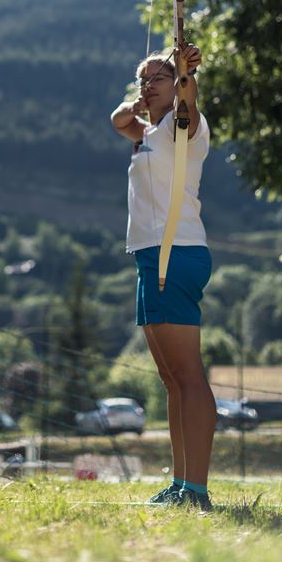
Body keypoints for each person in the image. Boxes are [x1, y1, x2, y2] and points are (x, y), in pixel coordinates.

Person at [110, 44, 215, 511]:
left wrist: (186, 77)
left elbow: (188, 103)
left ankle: (196, 489)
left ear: (175, 86)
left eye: (158, 78)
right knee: (172, 379)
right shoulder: (149, 132)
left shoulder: (182, 126)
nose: (147, 85)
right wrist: (136, 103)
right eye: (143, 79)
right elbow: (118, 120)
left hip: (177, 251)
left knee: (189, 376)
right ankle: (180, 483)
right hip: (152, 257)